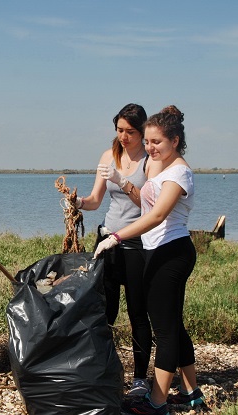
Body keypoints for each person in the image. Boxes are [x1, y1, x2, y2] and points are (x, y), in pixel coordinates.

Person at [94, 105, 203, 415]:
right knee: (175, 327)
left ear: (175, 141)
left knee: (164, 331)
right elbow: (141, 198)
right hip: (158, 251)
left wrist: (115, 237)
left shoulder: (180, 172)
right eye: (150, 141)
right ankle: (190, 391)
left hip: (172, 253)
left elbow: (156, 215)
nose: (151, 148)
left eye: (157, 142)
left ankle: (156, 402)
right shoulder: (161, 167)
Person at [73, 103, 154, 397]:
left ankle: (140, 378)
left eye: (130, 132)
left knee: (137, 312)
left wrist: (124, 181)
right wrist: (77, 202)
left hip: (136, 244)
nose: (123, 137)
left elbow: (149, 206)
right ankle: (103, 369)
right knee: (103, 310)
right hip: (108, 240)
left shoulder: (150, 161)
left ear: (143, 131)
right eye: (119, 130)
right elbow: (96, 200)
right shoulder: (110, 156)